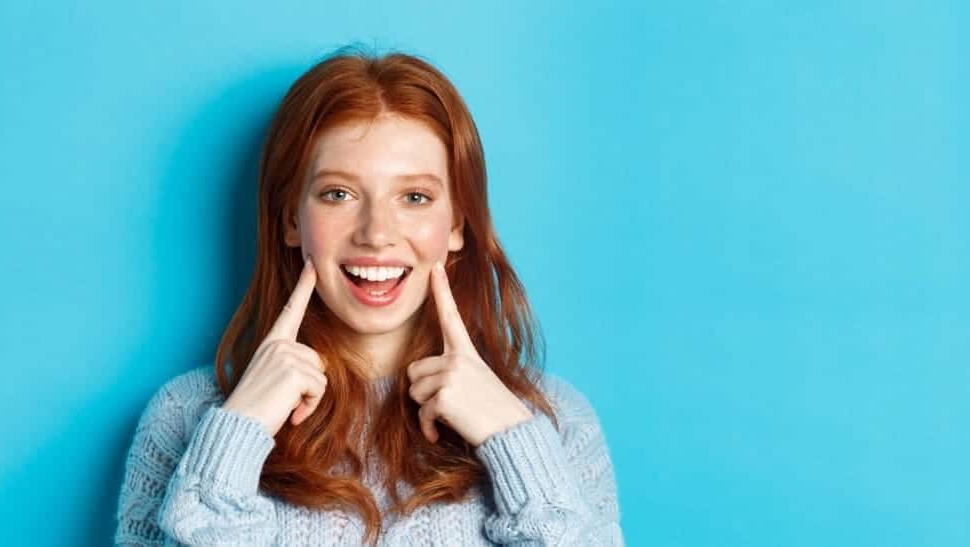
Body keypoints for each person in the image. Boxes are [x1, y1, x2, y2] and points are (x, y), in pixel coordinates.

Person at [114, 46, 622, 546]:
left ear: (457, 225)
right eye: (339, 194)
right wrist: (234, 439)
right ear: (292, 218)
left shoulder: (557, 420)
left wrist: (513, 441)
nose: (376, 233)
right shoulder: (186, 417)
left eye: (415, 197)